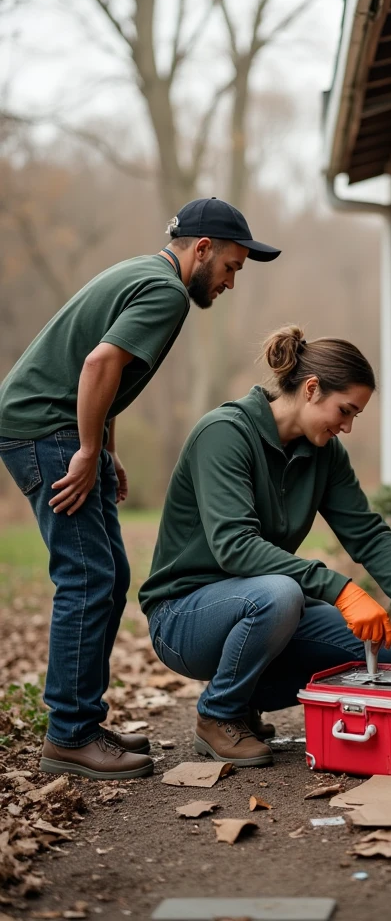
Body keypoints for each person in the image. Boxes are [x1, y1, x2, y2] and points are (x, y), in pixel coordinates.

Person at [0, 197, 280, 781]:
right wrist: (85, 448)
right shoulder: (166, 291)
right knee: (87, 576)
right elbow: (99, 364)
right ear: (202, 250)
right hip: (45, 430)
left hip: (53, 425)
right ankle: (69, 735)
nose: (230, 282)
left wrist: (105, 445)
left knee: (109, 575)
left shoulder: (142, 272)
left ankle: (81, 721)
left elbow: (106, 369)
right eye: (230, 266)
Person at [138, 325, 391, 767]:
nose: (348, 426)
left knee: (386, 650)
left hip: (260, 606)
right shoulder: (224, 434)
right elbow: (235, 546)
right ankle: (217, 715)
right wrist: (341, 589)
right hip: (184, 616)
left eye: (356, 415)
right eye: (345, 410)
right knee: (281, 593)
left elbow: (368, 532)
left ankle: (242, 700)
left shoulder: (324, 454)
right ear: (312, 388)